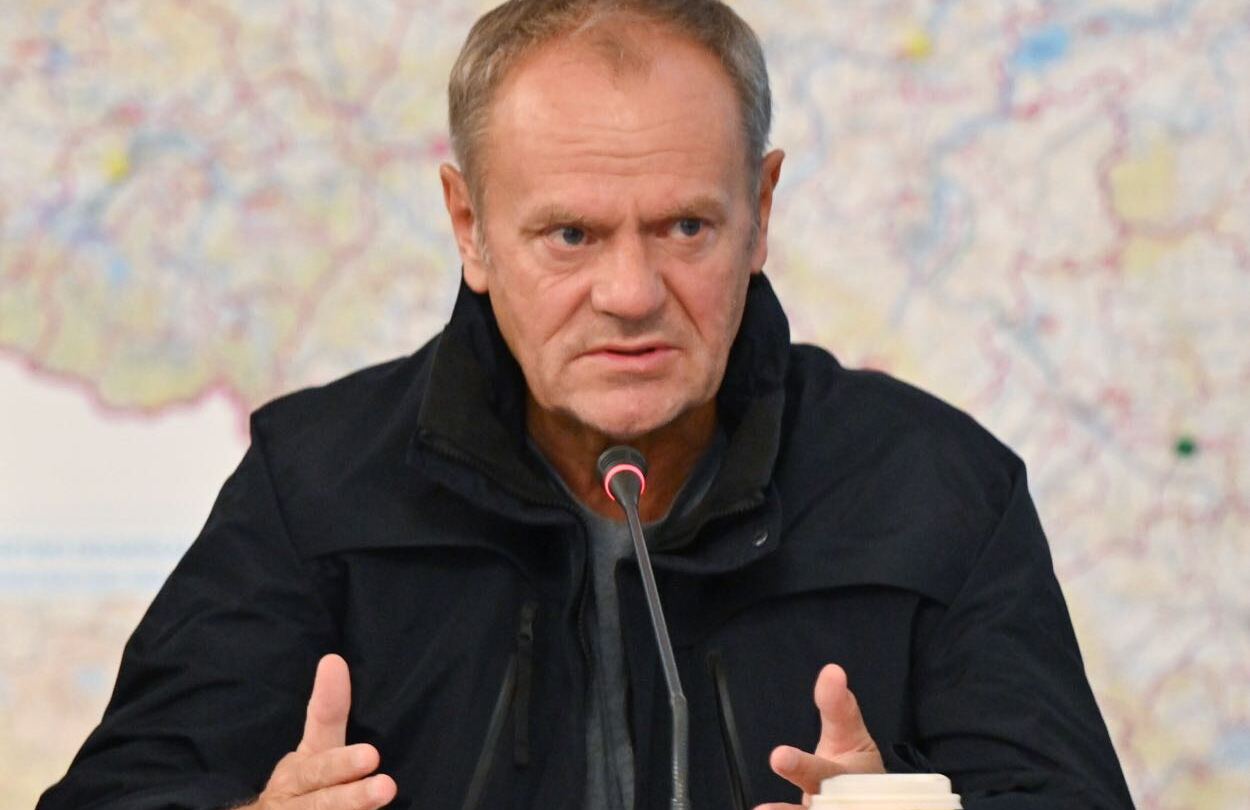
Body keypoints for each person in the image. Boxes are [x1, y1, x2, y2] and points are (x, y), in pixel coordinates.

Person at [39, 1, 1135, 809]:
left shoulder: (937, 490)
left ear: (760, 212)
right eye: (570, 235)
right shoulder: (314, 485)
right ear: (469, 227)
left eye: (685, 228)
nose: (629, 293)